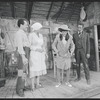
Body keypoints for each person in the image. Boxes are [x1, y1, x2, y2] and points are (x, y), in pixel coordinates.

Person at [28, 22, 47, 91]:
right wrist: (36, 49)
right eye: (40, 28)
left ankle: (38, 84)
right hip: (34, 54)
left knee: (39, 69)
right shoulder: (31, 35)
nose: (41, 30)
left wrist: (44, 51)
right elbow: (29, 45)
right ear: (36, 28)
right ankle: (32, 86)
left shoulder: (41, 35)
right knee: (33, 69)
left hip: (40, 54)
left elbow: (42, 45)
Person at [14, 18, 30, 97]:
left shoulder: (23, 33)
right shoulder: (19, 33)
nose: (27, 26)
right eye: (26, 24)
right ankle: (19, 90)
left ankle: (22, 86)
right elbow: (20, 46)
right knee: (21, 71)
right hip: (22, 53)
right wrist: (23, 57)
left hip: (25, 52)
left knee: (24, 71)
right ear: (21, 25)